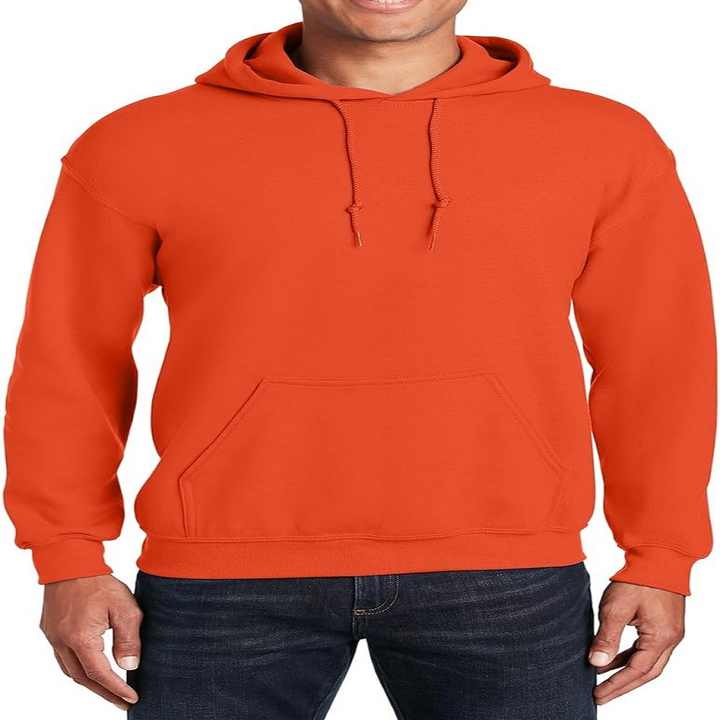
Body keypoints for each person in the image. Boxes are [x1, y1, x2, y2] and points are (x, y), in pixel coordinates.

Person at [3, 1, 715, 718]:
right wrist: (67, 556)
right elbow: (70, 359)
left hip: (509, 574)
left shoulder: (604, 141)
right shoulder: (139, 142)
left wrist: (660, 555)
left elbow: (657, 361)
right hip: (221, 579)